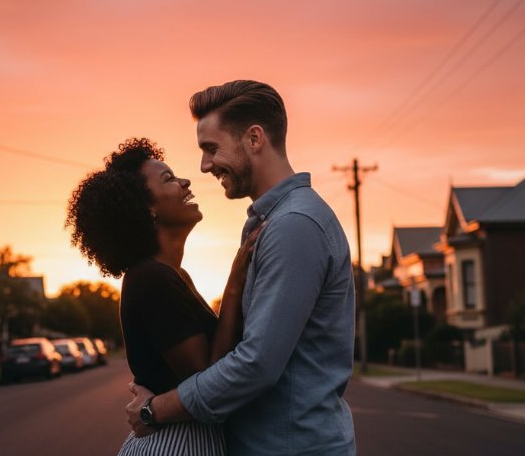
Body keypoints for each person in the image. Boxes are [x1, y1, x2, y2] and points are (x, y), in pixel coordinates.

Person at [126, 80, 357, 456]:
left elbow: (255, 365)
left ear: (254, 139)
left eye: (211, 149)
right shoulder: (270, 224)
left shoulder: (294, 225)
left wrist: (155, 409)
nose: (203, 166)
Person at [66, 137, 262, 455]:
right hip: (174, 444)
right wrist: (235, 283)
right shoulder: (150, 279)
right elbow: (207, 380)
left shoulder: (170, 276)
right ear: (148, 209)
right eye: (168, 179)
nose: (185, 182)